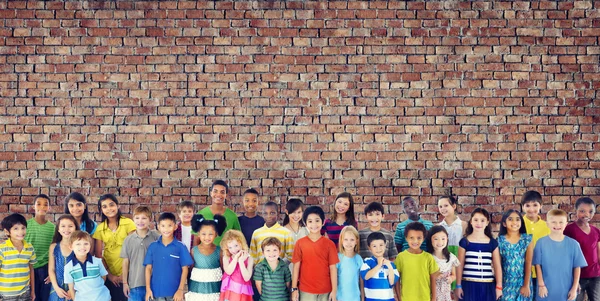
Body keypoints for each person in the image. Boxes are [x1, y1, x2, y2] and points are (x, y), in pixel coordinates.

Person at [534, 209, 587, 301]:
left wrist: (574, 288)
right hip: (545, 290)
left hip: (566, 290)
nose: (557, 225)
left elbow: (577, 267)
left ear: (566, 224)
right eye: (553, 222)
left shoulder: (574, 244)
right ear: (548, 224)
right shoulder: (541, 243)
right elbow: (537, 265)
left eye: (561, 222)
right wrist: (541, 285)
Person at [93, 194, 136, 301]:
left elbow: (134, 250)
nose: (109, 209)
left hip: (130, 274)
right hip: (110, 274)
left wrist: (126, 273)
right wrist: (109, 275)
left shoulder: (128, 223)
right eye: (104, 206)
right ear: (101, 210)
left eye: (111, 205)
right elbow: (98, 255)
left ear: (117, 206)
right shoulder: (100, 228)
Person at [291, 206, 339, 301]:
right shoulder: (300, 243)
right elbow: (296, 267)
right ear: (305, 223)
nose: (314, 224)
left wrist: (334, 290)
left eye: (317, 220)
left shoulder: (329, 244)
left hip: (326, 291)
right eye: (310, 221)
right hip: (305, 291)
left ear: (323, 222)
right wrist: (294, 288)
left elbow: (333, 268)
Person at [144, 212, 194, 301]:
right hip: (155, 292)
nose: (166, 229)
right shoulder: (153, 246)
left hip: (174, 294)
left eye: (169, 225)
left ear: (175, 226)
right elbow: (148, 268)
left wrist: (180, 290)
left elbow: (185, 269)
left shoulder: (180, 247)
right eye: (163, 226)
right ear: (158, 227)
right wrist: (148, 289)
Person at [456, 208, 502, 301]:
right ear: (471, 222)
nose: (479, 223)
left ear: (487, 222)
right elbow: (459, 265)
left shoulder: (492, 243)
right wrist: (458, 285)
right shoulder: (465, 242)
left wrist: (499, 287)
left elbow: (497, 266)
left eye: (482, 220)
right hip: (468, 286)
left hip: (487, 286)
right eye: (476, 220)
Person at [120, 206, 160, 301]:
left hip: (153, 284)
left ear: (150, 220)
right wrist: (125, 283)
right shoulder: (128, 239)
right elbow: (125, 262)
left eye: (144, 218)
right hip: (134, 284)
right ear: (133, 219)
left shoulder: (156, 237)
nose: (140, 221)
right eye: (137, 218)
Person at [564, 197, 600, 301]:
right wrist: (572, 279)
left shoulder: (596, 231)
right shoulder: (569, 230)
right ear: (576, 211)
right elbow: (567, 255)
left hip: (595, 275)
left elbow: (598, 253)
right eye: (582, 211)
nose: (587, 215)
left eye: (591, 211)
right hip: (578, 276)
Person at [185, 214, 227, 301]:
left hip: (214, 290)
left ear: (216, 234)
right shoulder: (194, 251)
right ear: (198, 234)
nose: (207, 237)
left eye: (210, 234)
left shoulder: (220, 251)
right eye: (203, 234)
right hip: (197, 290)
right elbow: (190, 271)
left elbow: (224, 271)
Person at [395, 222, 439, 301]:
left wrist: (433, 298)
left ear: (423, 238)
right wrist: (399, 298)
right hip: (406, 298)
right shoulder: (400, 257)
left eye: (419, 238)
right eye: (411, 238)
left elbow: (433, 279)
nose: (415, 241)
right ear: (406, 238)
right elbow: (397, 280)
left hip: (425, 298)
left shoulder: (428, 258)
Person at [0, 213, 38, 301]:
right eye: (16, 229)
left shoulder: (29, 247)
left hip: (25, 293)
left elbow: (31, 269)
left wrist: (32, 291)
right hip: (7, 294)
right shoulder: (2, 249)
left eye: (23, 228)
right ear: (7, 231)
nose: (20, 232)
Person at [64, 231, 110, 301]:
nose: (82, 247)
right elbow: (71, 287)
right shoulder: (68, 267)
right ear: (71, 247)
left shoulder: (98, 262)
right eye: (78, 244)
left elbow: (103, 277)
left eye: (86, 243)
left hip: (102, 297)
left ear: (90, 245)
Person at [25, 194, 55, 301]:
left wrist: (52, 271)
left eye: (45, 205)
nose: (42, 207)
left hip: (45, 267)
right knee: (32, 297)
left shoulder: (53, 228)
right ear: (33, 206)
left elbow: (54, 250)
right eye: (38, 204)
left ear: (49, 208)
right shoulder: (26, 225)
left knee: (44, 297)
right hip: (28, 266)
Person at [497, 210, 533, 301]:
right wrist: (499, 286)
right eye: (510, 219)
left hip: (523, 282)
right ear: (504, 224)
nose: (514, 222)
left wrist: (526, 284)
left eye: (517, 219)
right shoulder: (499, 241)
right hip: (506, 283)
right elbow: (498, 266)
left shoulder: (527, 239)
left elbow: (528, 262)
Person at [521, 190, 550, 299]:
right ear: (522, 207)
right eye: (527, 205)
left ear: (541, 206)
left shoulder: (547, 226)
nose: (531, 209)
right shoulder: (518, 224)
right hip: (522, 273)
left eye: (535, 205)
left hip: (542, 273)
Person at [196, 180, 241, 246]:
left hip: (226, 255)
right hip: (206, 255)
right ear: (211, 193)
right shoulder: (201, 214)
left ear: (226, 195)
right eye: (215, 191)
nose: (218, 194)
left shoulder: (232, 216)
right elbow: (196, 240)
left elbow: (238, 239)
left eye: (222, 192)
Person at [360, 232, 399, 301]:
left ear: (385, 245)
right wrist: (378, 265)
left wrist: (389, 266)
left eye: (381, 245)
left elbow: (392, 282)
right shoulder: (367, 262)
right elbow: (365, 276)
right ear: (369, 248)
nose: (378, 249)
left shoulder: (391, 264)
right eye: (374, 246)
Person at [48, 215, 79, 301]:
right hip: (57, 290)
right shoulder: (53, 247)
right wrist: (56, 288)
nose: (67, 229)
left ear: (75, 228)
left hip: (75, 289)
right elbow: (51, 269)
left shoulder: (79, 247)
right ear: (58, 229)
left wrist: (73, 289)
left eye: (70, 226)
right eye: (63, 226)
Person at [427, 226, 460, 301]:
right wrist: (435, 276)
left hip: (446, 294)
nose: (440, 242)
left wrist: (451, 279)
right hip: (432, 294)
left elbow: (454, 275)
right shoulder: (428, 257)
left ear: (447, 239)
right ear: (430, 240)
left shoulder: (451, 257)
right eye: (436, 239)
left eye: (443, 238)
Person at [219, 230, 253, 301]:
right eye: (230, 247)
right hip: (230, 291)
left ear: (242, 243)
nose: (233, 250)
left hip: (243, 291)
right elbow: (228, 272)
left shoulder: (249, 258)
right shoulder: (227, 257)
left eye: (236, 245)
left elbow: (247, 278)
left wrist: (241, 261)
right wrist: (235, 259)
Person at [336, 226, 363, 301]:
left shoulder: (358, 259)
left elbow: (361, 281)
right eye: (346, 239)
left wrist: (363, 297)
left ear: (356, 241)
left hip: (355, 298)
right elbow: (335, 279)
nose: (349, 243)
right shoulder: (338, 258)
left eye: (352, 240)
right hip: (340, 297)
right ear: (341, 241)